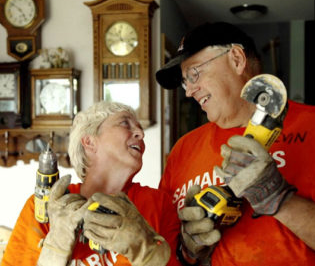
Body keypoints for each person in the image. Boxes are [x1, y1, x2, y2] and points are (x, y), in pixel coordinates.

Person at [156, 22, 315, 266]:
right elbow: (169, 254)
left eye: (194, 74)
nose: (189, 91)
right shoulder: (183, 150)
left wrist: (280, 199)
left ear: (236, 58)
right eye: (184, 81)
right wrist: (189, 250)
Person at [2, 101, 181, 266]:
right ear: (89, 141)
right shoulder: (47, 207)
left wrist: (147, 252)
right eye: (125, 123)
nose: (140, 134)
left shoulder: (158, 204)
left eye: (140, 129)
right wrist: (54, 250)